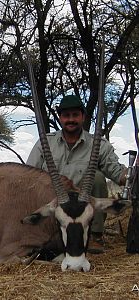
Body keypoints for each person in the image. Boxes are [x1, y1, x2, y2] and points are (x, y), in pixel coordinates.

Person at [26, 95, 127, 254]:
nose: (71, 119)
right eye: (66, 115)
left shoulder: (98, 144)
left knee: (99, 178)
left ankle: (95, 235)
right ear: (60, 118)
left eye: (75, 115)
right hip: (54, 205)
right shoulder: (45, 143)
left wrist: (132, 175)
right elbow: (28, 176)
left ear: (83, 117)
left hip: (83, 207)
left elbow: (118, 173)